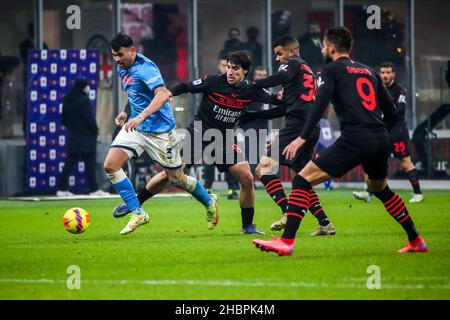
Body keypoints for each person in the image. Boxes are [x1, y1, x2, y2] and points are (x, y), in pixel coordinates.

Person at [253, 27, 428, 256]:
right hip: (379, 138)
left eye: (325, 45)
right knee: (381, 189)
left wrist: (301, 138)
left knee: (302, 180)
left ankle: (286, 242)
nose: (323, 49)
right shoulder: (369, 72)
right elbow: (393, 113)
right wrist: (379, 132)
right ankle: (416, 240)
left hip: (355, 138)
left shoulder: (330, 70)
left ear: (332, 47)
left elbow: (319, 105)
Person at [116, 51, 284, 235]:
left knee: (247, 178)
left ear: (245, 71)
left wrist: (284, 96)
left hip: (224, 139)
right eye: (228, 67)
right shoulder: (213, 81)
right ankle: (134, 205)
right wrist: (168, 94)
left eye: (235, 69)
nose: (230, 72)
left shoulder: (252, 89)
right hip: (199, 133)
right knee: (170, 176)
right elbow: (186, 86)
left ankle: (248, 226)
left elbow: (276, 101)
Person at [105, 33, 218, 235]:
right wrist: (126, 111)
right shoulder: (122, 68)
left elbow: (163, 95)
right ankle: (137, 212)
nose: (116, 59)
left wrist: (141, 117)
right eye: (114, 55)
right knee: (111, 165)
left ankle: (209, 202)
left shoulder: (146, 68)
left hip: (160, 132)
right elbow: (134, 94)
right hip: (136, 129)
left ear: (132, 51)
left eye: (119, 55)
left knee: (177, 179)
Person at [241, 35, 335, 236]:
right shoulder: (305, 70)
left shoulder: (292, 63)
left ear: (291, 51)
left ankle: (286, 212)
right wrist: (254, 115)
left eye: (279, 54)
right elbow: (284, 108)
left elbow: (278, 78)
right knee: (301, 179)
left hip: (296, 128)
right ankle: (325, 223)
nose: (278, 59)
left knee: (263, 168)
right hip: (311, 128)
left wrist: (250, 83)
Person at [353, 62, 424, 203]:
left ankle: (418, 193)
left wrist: (382, 116)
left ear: (393, 74)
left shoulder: (399, 90)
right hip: (381, 131)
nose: (385, 75)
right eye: (383, 72)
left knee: (405, 162)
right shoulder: (376, 89)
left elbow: (400, 111)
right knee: (373, 161)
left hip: (397, 131)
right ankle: (370, 193)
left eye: (388, 72)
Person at [57, 78, 109, 197]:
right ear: (83, 87)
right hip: (86, 138)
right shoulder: (84, 100)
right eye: (86, 86)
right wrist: (96, 130)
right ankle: (94, 189)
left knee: (69, 164)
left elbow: (64, 120)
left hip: (73, 137)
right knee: (90, 165)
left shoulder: (67, 100)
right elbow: (89, 119)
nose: (87, 88)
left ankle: (62, 189)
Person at [203, 53, 240, 200]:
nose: (227, 69)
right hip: (211, 128)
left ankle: (232, 189)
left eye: (230, 66)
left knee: (230, 159)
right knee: (209, 159)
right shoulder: (212, 82)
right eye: (224, 66)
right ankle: (208, 188)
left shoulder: (237, 84)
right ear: (219, 66)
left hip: (229, 130)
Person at [237, 66, 269, 175]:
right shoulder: (249, 89)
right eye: (259, 75)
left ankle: (254, 177)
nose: (262, 77)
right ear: (254, 76)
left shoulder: (268, 90)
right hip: (250, 126)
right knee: (249, 153)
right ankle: (248, 177)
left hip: (263, 126)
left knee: (259, 154)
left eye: (264, 75)